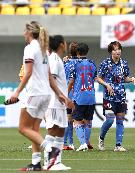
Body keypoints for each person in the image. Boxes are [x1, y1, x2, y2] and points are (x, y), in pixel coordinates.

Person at [8, 21, 73, 171]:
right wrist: (59, 94)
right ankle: (36, 162)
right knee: (34, 129)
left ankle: (51, 149)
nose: (23, 34)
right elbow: (49, 75)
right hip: (46, 95)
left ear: (30, 33)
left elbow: (28, 72)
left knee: (23, 128)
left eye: (25, 31)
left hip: (35, 93)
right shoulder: (44, 49)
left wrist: (17, 92)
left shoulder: (30, 48)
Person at [97, 41, 135, 152]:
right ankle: (101, 138)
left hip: (121, 96)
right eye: (114, 49)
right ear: (111, 52)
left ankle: (118, 145)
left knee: (120, 121)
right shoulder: (105, 63)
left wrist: (131, 79)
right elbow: (98, 78)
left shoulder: (124, 63)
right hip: (109, 97)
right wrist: (107, 85)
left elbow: (124, 78)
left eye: (119, 49)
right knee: (110, 120)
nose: (117, 51)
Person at [43, 35, 71, 171]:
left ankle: (57, 161)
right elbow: (50, 79)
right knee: (52, 130)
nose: (66, 45)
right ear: (61, 44)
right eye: (65, 43)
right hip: (54, 102)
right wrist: (61, 96)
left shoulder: (57, 59)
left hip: (59, 102)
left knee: (60, 131)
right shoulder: (54, 59)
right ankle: (48, 162)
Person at [68, 43, 97, 151]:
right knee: (88, 121)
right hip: (91, 96)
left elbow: (71, 82)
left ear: (77, 52)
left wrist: (66, 94)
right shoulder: (92, 63)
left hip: (79, 97)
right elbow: (95, 78)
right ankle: (86, 142)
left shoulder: (75, 65)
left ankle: (83, 143)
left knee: (77, 121)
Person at [63, 42, 79, 151]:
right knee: (77, 120)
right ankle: (73, 143)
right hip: (78, 93)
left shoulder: (66, 64)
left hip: (68, 92)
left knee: (68, 119)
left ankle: (66, 143)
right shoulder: (82, 63)